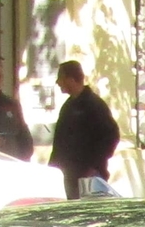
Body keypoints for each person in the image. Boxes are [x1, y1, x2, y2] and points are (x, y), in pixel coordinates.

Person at [49, 60, 118, 198]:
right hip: (69, 175)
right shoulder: (68, 106)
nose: (58, 82)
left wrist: (93, 166)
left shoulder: (94, 105)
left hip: (89, 176)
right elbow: (60, 141)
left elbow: (111, 136)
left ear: (70, 79)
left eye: (60, 78)